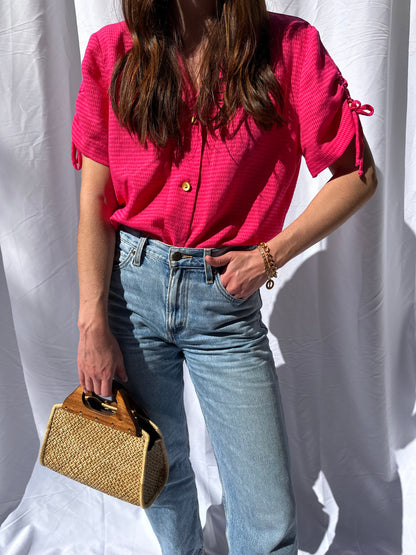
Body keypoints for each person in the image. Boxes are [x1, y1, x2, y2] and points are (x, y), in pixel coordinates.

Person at [72, 0, 377, 553]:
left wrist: (270, 254)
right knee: (151, 472)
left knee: (268, 515)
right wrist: (92, 322)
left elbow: (357, 174)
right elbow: (95, 198)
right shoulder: (113, 53)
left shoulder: (288, 48)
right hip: (130, 291)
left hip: (225, 303)